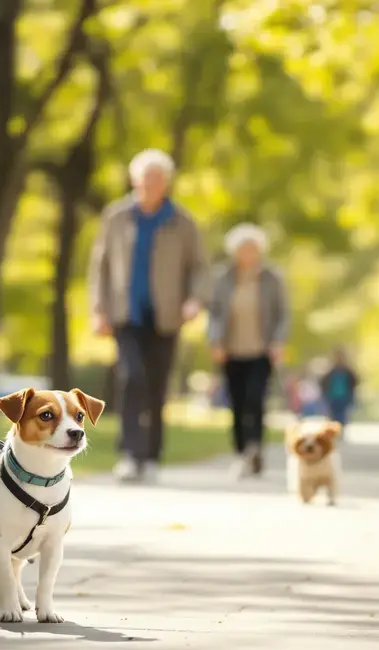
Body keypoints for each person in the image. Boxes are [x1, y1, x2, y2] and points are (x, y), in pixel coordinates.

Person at [87, 149, 208, 484]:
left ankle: (152, 455)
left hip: (166, 316)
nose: (150, 184)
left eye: (156, 178)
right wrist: (98, 308)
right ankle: (129, 453)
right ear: (134, 180)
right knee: (131, 377)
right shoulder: (117, 216)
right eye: (144, 177)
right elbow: (100, 265)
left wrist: (195, 300)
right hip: (126, 313)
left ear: (165, 182)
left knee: (156, 385)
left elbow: (199, 267)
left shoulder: (182, 221)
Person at [207, 223, 289, 477]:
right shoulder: (223, 278)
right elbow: (215, 313)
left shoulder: (271, 277)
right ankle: (242, 452)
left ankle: (255, 448)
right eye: (243, 249)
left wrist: (278, 341)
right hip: (231, 351)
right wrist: (216, 342)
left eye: (253, 249)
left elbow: (282, 314)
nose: (248, 253)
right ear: (235, 251)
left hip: (261, 351)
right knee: (237, 404)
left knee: (256, 399)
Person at [321, 348, 359, 433]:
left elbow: (354, 381)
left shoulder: (347, 371)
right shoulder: (331, 371)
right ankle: (334, 430)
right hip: (332, 396)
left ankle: (340, 430)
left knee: (342, 415)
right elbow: (323, 382)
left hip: (344, 397)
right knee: (333, 415)